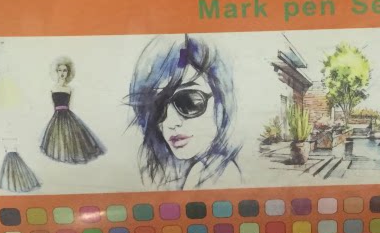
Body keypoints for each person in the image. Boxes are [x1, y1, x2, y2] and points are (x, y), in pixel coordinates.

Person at [128, 35, 241, 190]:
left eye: (188, 102)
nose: (170, 122)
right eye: (157, 107)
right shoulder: (166, 173)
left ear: (220, 101)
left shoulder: (215, 174)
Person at [40, 56, 105, 164]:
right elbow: (51, 106)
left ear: (68, 72)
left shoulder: (70, 89)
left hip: (68, 116)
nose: (62, 73)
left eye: (64, 70)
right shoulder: (52, 88)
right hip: (56, 117)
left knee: (72, 140)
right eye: (60, 70)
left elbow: (72, 105)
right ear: (56, 72)